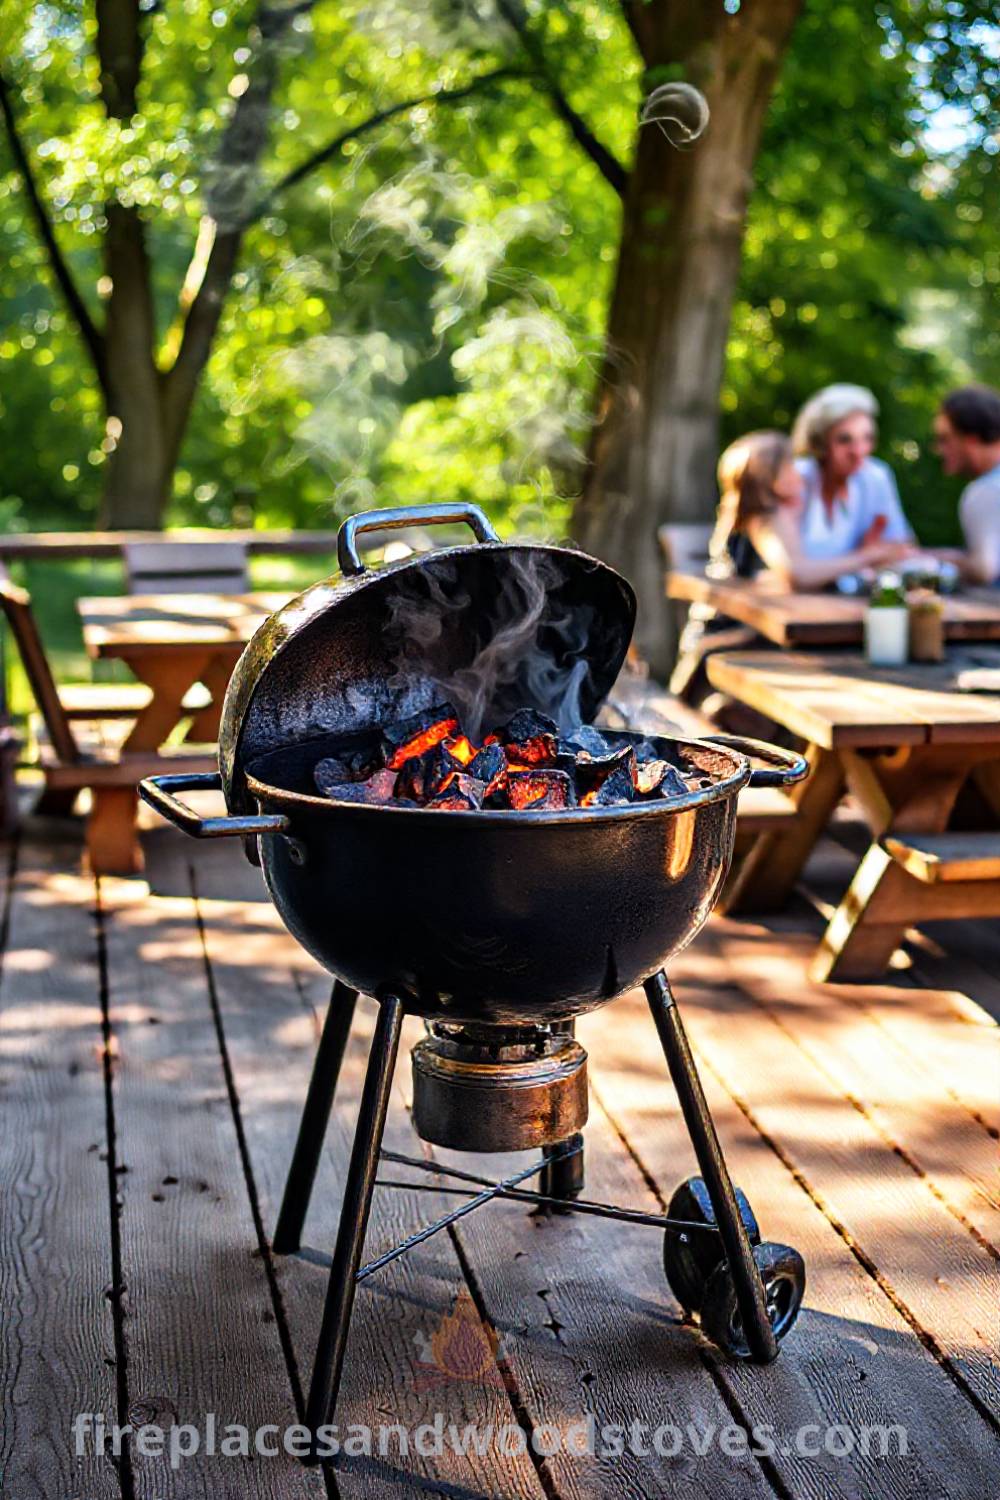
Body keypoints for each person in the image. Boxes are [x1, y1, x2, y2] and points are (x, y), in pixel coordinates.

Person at [788, 383, 915, 582]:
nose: (859, 451)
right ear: (819, 442)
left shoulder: (875, 476)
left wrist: (879, 552)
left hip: (848, 603)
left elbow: (903, 547)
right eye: (844, 440)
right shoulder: (796, 477)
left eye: (868, 438)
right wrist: (867, 556)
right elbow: (794, 572)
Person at [933, 385, 1000, 585]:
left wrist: (927, 558)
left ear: (970, 440)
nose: (939, 450)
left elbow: (984, 569)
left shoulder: (985, 490)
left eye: (945, 439)